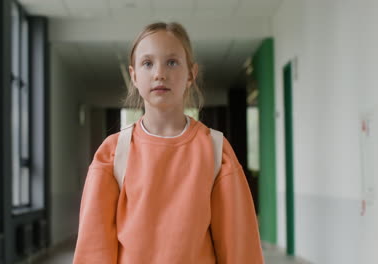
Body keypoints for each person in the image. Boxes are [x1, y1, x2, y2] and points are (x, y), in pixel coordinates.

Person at [73, 22, 264, 264]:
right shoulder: (112, 153)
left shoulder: (216, 150)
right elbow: (94, 249)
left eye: (172, 62)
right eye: (147, 63)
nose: (159, 73)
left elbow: (240, 248)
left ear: (191, 74)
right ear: (134, 76)